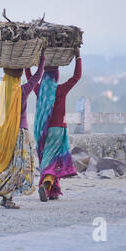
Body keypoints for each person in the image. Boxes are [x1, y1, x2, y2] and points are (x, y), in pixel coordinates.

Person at [0, 50, 46, 209]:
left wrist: (5, 122)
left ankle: (7, 197)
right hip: (20, 135)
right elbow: (37, 76)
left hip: (5, 137)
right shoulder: (22, 91)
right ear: (18, 77)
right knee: (20, 168)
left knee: (11, 167)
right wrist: (42, 57)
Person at [26, 48, 82, 202]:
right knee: (53, 160)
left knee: (48, 158)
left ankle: (52, 190)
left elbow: (30, 77)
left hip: (42, 130)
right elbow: (76, 77)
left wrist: (28, 62)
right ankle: (46, 184)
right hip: (58, 130)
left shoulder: (39, 91)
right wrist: (78, 57)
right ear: (56, 77)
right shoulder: (60, 90)